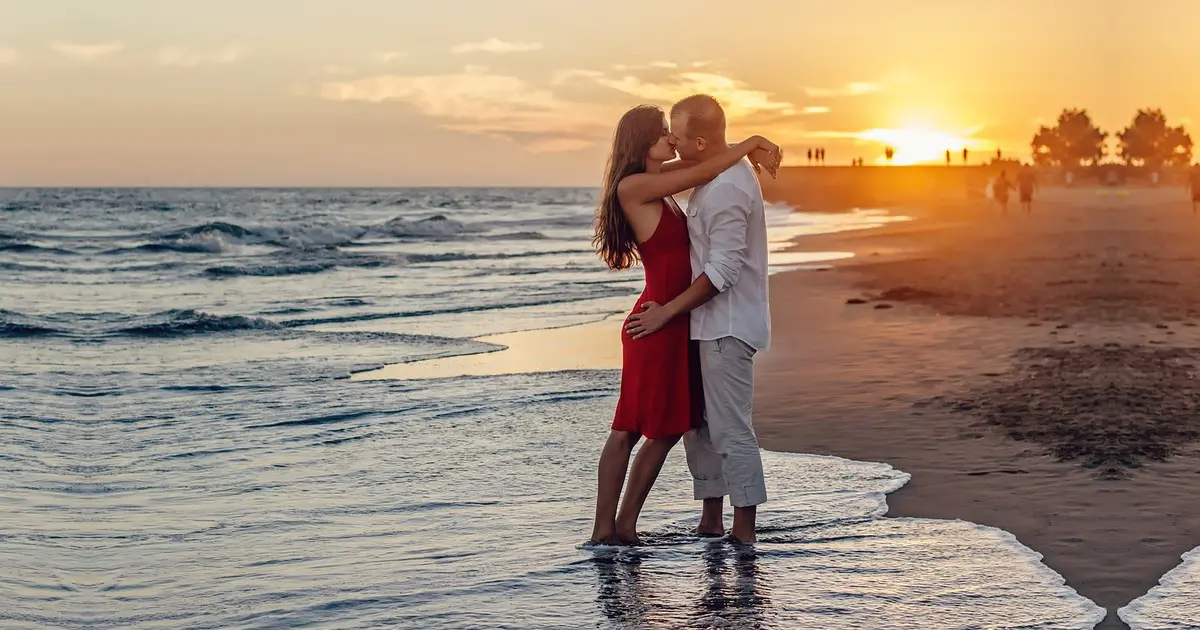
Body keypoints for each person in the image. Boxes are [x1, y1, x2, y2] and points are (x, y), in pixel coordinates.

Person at [589, 103, 780, 545]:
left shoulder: (660, 183)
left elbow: (703, 161)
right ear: (643, 143)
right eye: (663, 134)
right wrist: (749, 143)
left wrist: (738, 147)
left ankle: (624, 528)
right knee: (632, 427)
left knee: (670, 427)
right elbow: (701, 166)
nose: (671, 141)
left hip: (676, 319)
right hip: (657, 320)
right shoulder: (637, 186)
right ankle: (608, 530)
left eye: (673, 134)